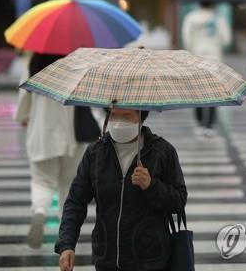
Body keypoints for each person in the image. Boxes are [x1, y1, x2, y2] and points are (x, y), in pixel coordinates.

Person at [56, 108, 188, 271]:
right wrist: (67, 244)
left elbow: (179, 200)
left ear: (141, 117)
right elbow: (76, 202)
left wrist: (151, 186)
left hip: (149, 260)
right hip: (106, 258)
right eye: (113, 114)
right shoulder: (95, 153)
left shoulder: (162, 152)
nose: (118, 121)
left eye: (126, 115)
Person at [15, 53, 100, 249]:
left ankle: (40, 211)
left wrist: (23, 116)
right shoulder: (77, 63)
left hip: (42, 133)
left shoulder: (34, 64)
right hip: (72, 135)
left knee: (42, 180)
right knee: (68, 184)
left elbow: (23, 99)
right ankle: (65, 231)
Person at [182, 1, 231, 137]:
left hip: (196, 57)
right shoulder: (218, 18)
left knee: (197, 91)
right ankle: (210, 125)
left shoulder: (190, 17)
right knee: (213, 92)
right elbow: (226, 40)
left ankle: (199, 123)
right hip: (214, 58)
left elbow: (186, 40)